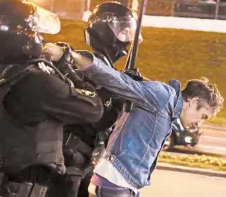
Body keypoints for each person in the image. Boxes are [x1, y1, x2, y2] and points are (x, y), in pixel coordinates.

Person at [43, 43, 224, 197]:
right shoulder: (163, 97)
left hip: (127, 184)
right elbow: (116, 81)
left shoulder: (168, 108)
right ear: (193, 102)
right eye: (203, 116)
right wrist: (70, 55)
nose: (200, 122)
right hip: (116, 181)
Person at [0, 0, 105, 197]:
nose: (39, 38)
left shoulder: (1, 74)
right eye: (34, 31)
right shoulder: (35, 82)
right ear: (20, 37)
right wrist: (67, 69)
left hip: (7, 181)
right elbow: (94, 109)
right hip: (30, 186)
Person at [47, 2, 141, 197]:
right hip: (68, 158)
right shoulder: (84, 64)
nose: (126, 39)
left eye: (128, 31)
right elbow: (98, 115)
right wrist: (119, 93)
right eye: (122, 31)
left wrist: (125, 87)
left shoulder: (107, 71)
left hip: (85, 160)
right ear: (104, 30)